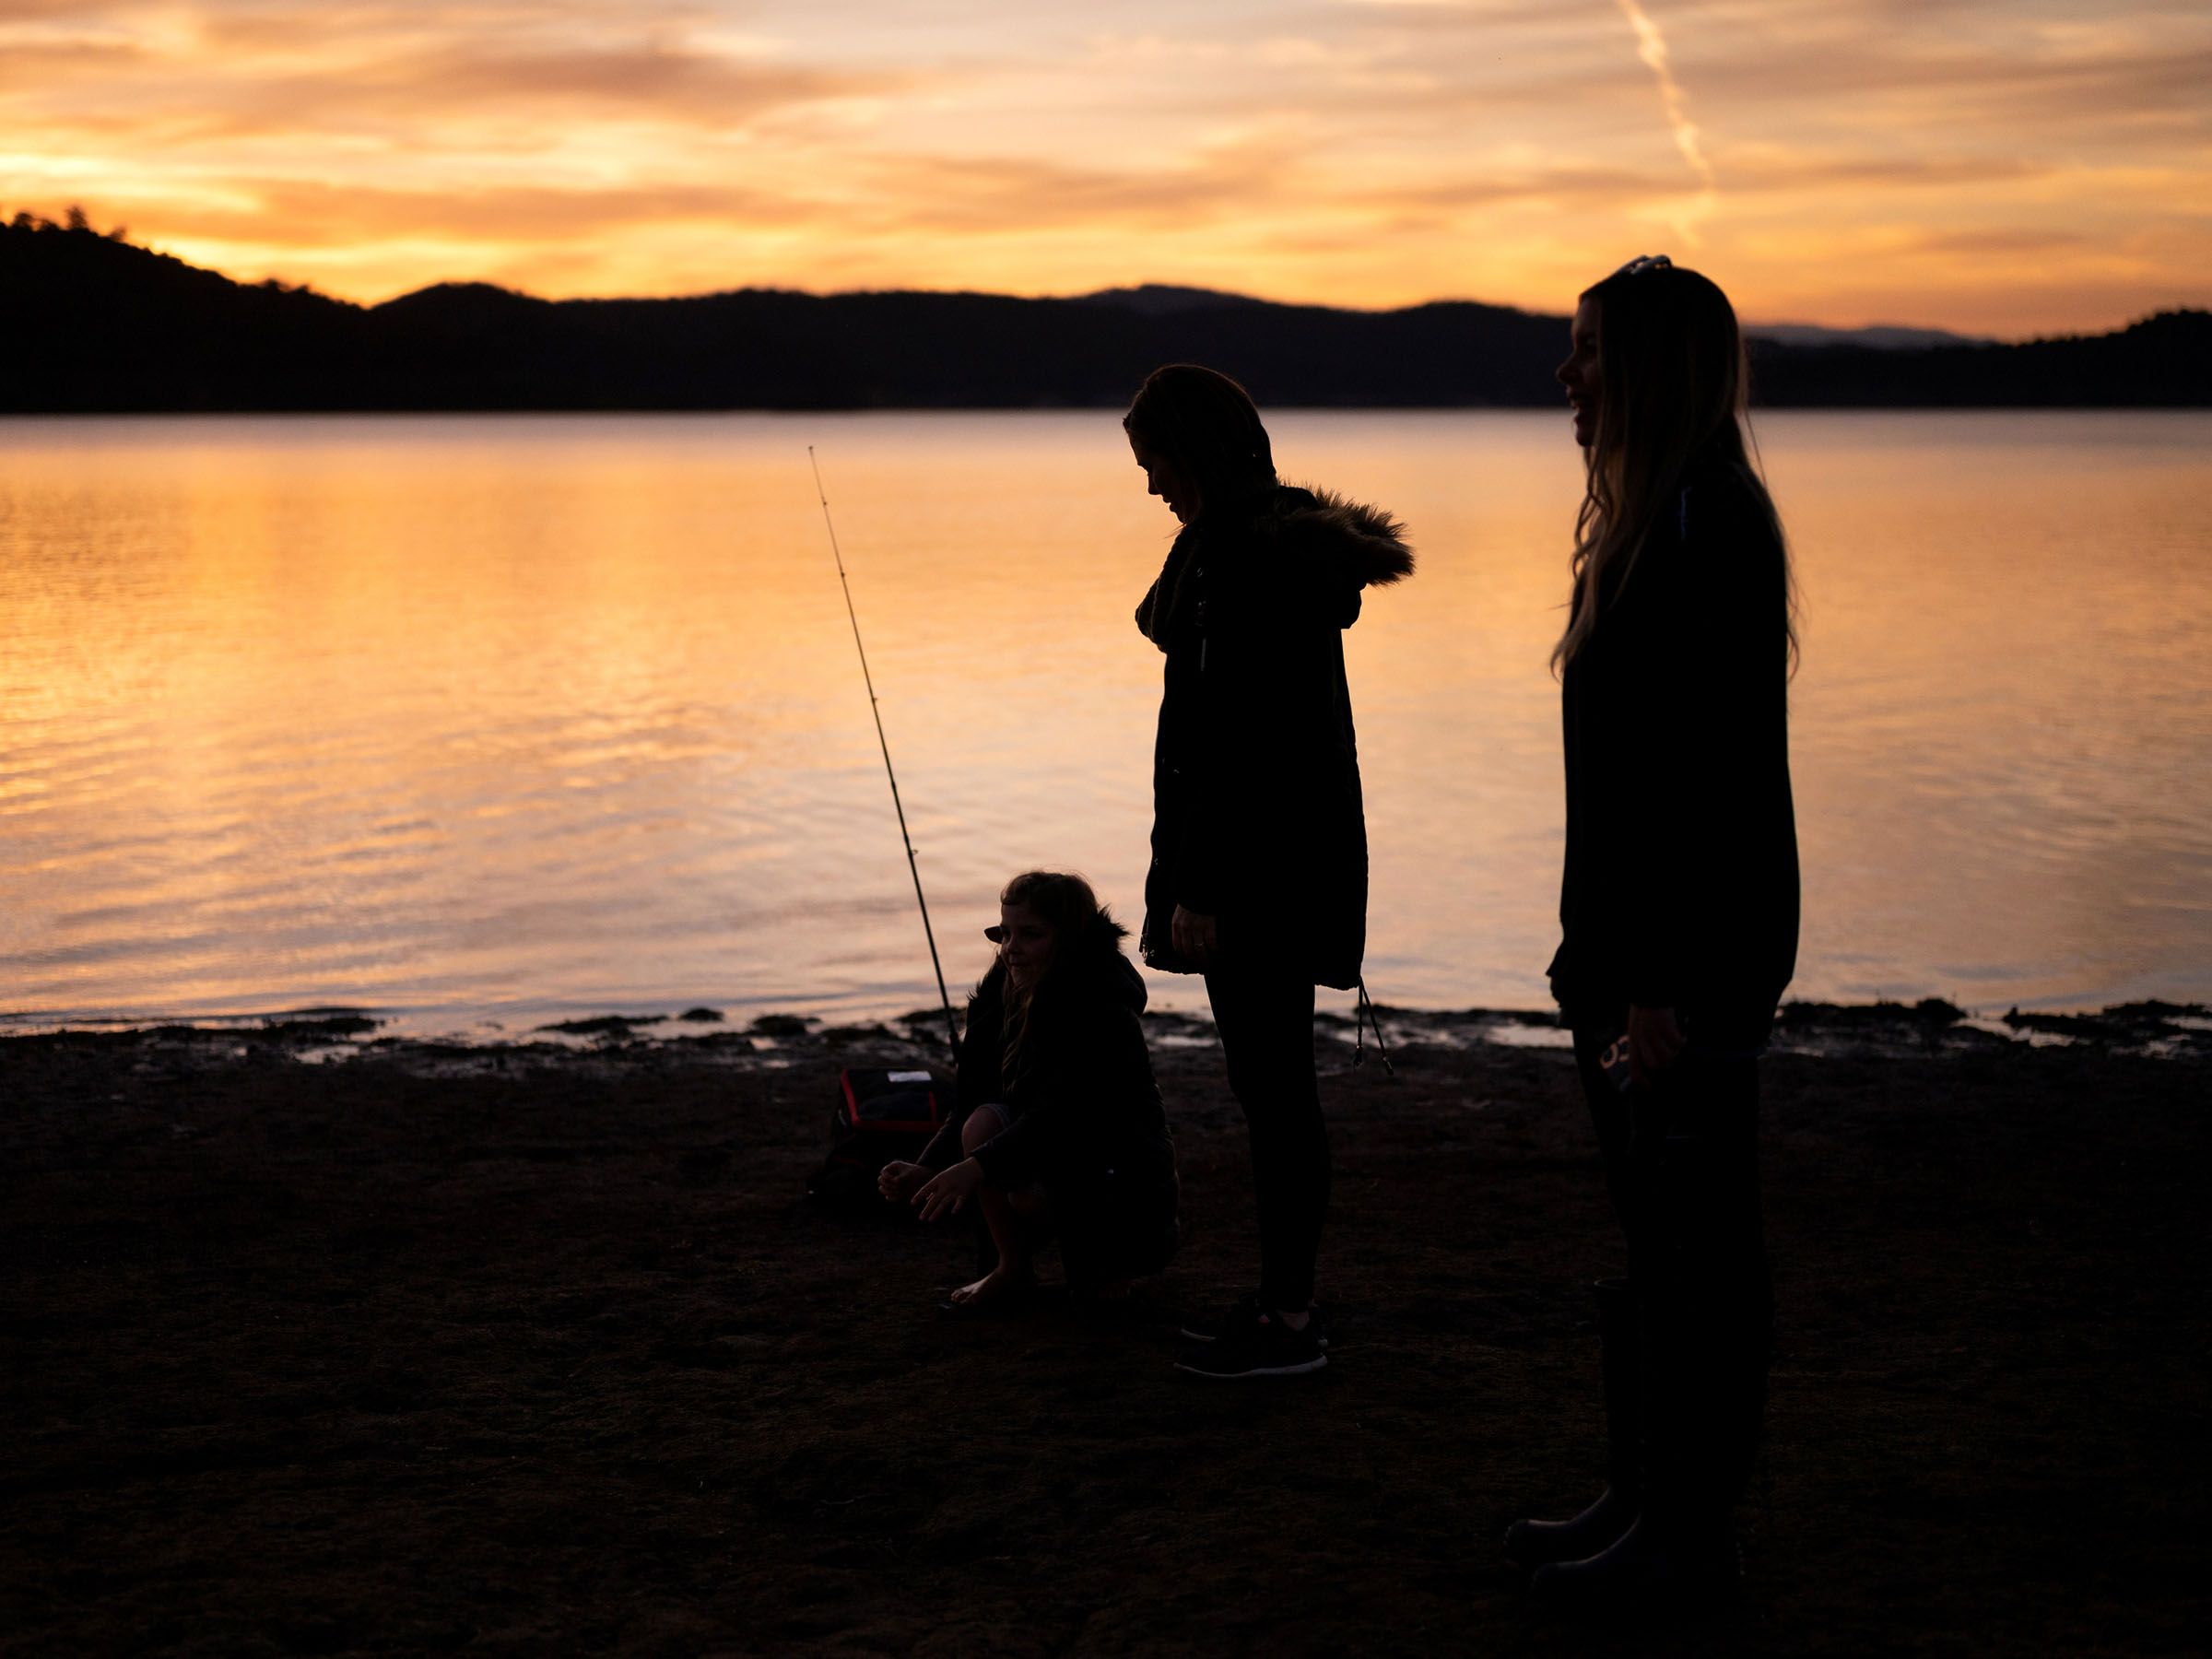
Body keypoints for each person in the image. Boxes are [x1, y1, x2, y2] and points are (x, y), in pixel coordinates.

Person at [1507, 255, 1800, 1607]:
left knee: (1699, 1256)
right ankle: (1645, 1499)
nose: (1567, 378)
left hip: (1684, 969)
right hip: (1633, 959)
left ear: (1657, 371)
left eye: (1590, 354)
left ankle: (1690, 1538)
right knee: (1659, 1243)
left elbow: (1708, 776)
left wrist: (1660, 981)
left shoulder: (1705, 525)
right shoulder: (1655, 519)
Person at [1123, 363, 1414, 1380]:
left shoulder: (1243, 566)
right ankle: (1287, 1302)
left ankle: (1288, 1319)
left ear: (1194, 451)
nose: (1151, 483)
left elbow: (1235, 743)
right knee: (1276, 1089)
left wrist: (1198, 888)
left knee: (1276, 1093)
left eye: (1154, 460)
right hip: (1291, 860)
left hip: (1255, 874)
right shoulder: (1258, 551)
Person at [878, 871, 1180, 1310]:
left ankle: (1112, 1264)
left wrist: (976, 1167)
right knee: (984, 1120)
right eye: (1004, 934)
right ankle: (1011, 1268)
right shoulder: (999, 997)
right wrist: (926, 1169)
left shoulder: (1102, 1010)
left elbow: (1061, 1115)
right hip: (1055, 1161)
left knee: (1096, 1295)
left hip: (1119, 1177)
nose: (1010, 949)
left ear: (1070, 938)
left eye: (1030, 935)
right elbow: (968, 1106)